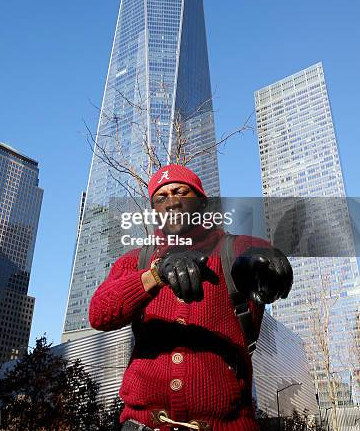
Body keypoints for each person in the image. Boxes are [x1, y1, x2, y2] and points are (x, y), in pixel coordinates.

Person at [89, 164, 293, 431]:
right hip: (142, 424)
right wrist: (155, 275)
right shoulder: (135, 260)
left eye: (180, 192)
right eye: (160, 198)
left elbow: (259, 254)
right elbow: (99, 312)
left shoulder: (234, 248)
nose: (171, 202)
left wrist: (266, 262)